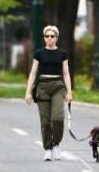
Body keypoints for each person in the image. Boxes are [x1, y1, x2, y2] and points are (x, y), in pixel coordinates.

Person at [25, 25, 74, 162]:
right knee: (45, 121)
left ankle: (56, 144)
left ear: (56, 37)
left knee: (58, 117)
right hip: (43, 87)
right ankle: (48, 149)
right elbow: (33, 73)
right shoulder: (39, 54)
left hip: (58, 87)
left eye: (52, 36)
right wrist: (28, 92)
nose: (49, 38)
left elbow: (66, 73)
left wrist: (69, 92)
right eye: (47, 36)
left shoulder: (62, 54)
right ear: (44, 38)